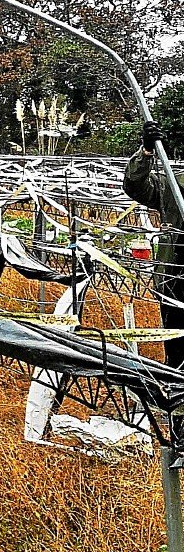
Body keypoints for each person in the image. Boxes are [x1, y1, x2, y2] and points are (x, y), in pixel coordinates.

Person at [123, 121, 184, 368]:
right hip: (175, 279)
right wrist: (146, 151)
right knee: (178, 350)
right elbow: (135, 186)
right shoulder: (175, 185)